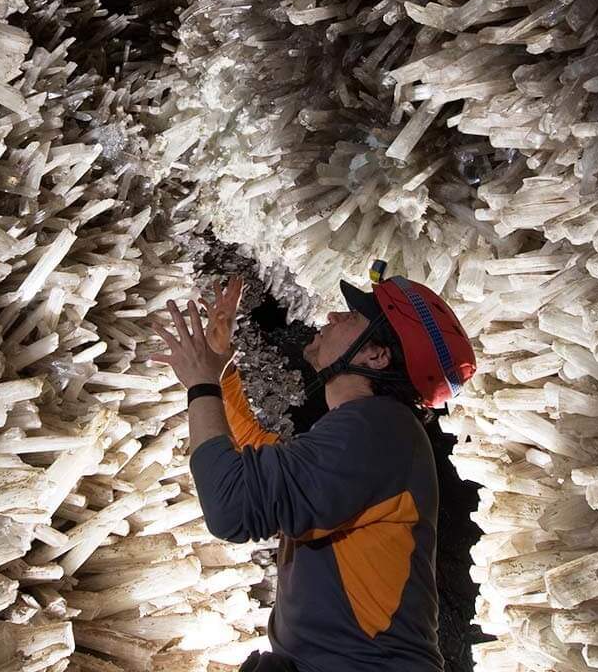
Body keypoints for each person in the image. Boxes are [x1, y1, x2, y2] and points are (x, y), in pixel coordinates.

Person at [152, 265, 478, 672]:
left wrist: (201, 384)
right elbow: (259, 456)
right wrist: (220, 372)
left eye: (354, 316)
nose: (332, 317)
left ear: (376, 355)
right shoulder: (378, 432)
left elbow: (232, 504)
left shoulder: (377, 429)